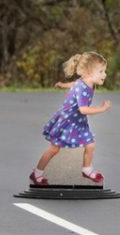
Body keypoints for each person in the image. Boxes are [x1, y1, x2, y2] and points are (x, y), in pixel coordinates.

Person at [29, 52, 112, 185]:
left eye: (104, 71)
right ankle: (37, 174)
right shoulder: (82, 88)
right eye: (101, 71)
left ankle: (87, 170)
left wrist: (64, 85)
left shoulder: (87, 82)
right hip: (67, 121)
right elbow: (83, 109)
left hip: (78, 122)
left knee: (90, 145)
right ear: (88, 72)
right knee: (54, 149)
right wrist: (102, 108)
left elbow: (75, 83)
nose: (105, 74)